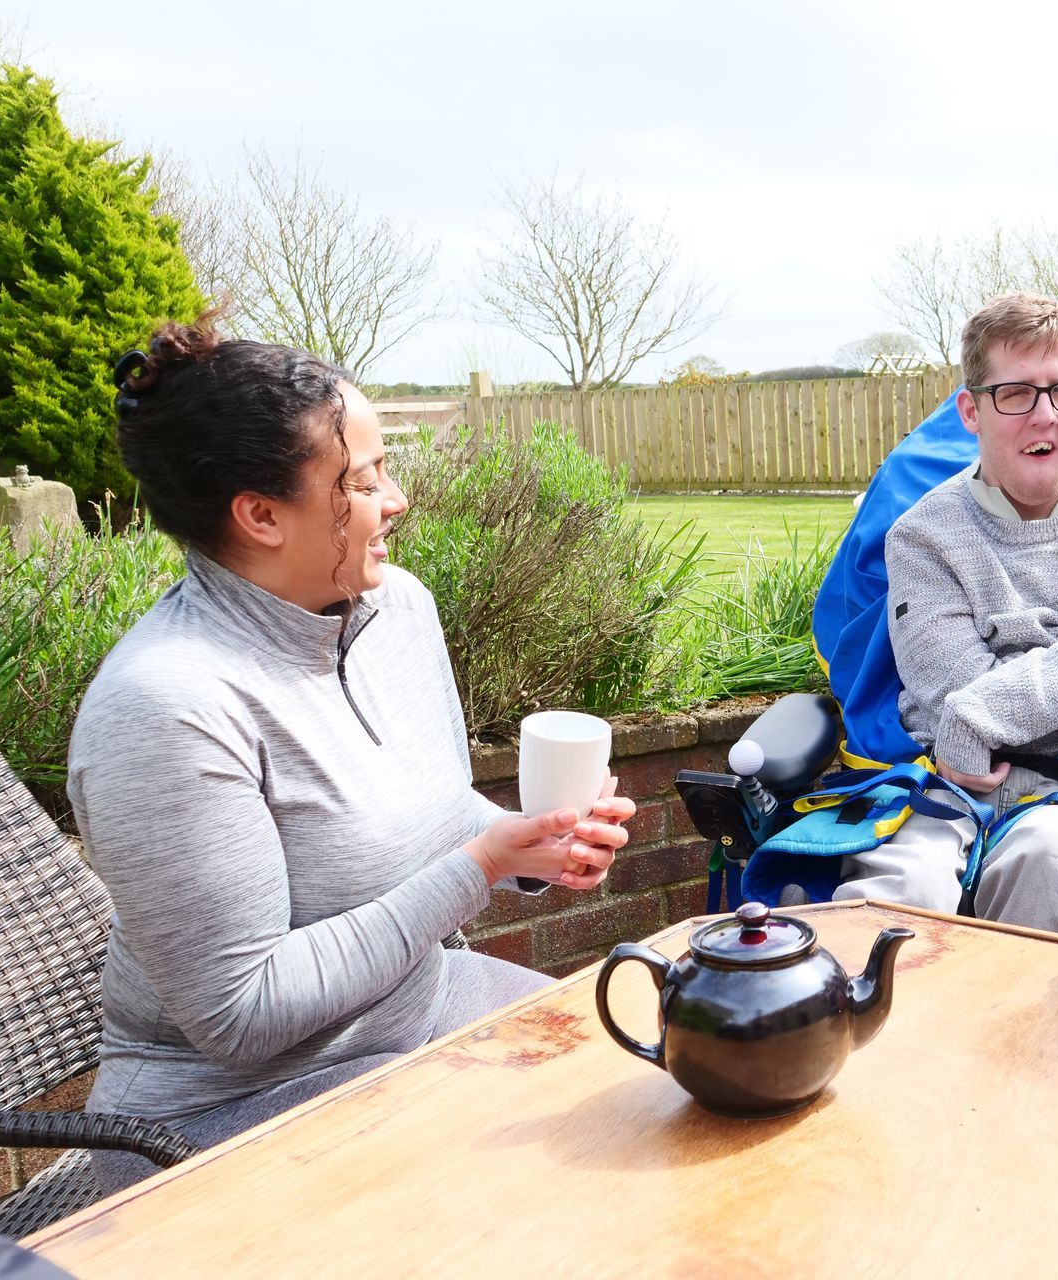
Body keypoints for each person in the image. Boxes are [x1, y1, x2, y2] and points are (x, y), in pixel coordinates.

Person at [68, 314, 637, 1194]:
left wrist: (535, 846)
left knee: (647, 1086)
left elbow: (441, 807)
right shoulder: (168, 708)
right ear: (260, 515)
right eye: (363, 479)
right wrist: (478, 866)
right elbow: (243, 1012)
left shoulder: (396, 610)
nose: (397, 498)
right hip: (225, 1117)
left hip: (416, 1019)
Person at [834, 292, 1058, 939]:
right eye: (1016, 393)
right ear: (972, 410)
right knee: (898, 897)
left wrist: (976, 716)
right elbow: (946, 684)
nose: (1044, 415)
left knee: (1045, 864)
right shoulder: (921, 535)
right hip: (945, 791)